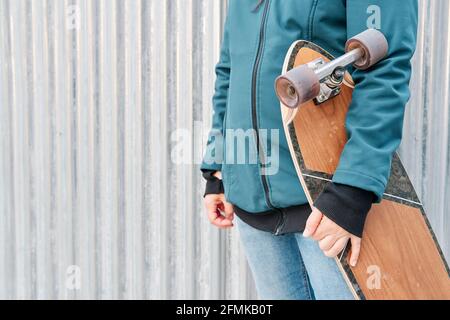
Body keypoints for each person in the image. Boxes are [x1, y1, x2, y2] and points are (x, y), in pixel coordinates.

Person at [201, 0, 418, 300]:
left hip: (327, 205)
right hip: (252, 209)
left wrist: (352, 191)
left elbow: (384, 67)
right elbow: (231, 67)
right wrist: (220, 165)